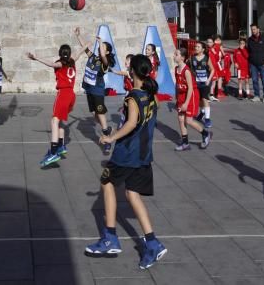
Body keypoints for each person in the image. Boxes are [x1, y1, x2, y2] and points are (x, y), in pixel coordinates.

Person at [85, 55, 167, 270]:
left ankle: (110, 238)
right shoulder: (151, 95)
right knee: (132, 193)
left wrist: (111, 137)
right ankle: (152, 242)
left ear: (133, 72)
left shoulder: (132, 97)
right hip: (143, 154)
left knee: (107, 182)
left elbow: (131, 123)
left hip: (127, 154)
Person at [28, 40, 83, 168]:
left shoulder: (60, 64)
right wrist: (82, 40)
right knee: (61, 121)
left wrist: (36, 57)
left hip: (63, 94)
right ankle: (61, 145)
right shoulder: (73, 60)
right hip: (71, 95)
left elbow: (50, 64)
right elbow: (80, 51)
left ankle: (53, 152)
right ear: (69, 54)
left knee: (54, 121)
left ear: (60, 54)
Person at [75, 27, 116, 155]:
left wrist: (100, 41)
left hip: (97, 90)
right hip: (89, 89)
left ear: (107, 52)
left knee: (100, 114)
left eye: (103, 47)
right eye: (100, 46)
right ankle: (108, 128)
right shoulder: (94, 57)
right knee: (95, 114)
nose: (100, 48)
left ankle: (107, 139)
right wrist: (78, 35)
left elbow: (103, 54)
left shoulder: (105, 63)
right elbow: (85, 48)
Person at [174, 48, 212, 151]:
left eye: (176, 54)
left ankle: (206, 134)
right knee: (181, 119)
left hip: (191, 96)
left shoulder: (186, 71)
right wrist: (177, 99)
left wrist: (186, 103)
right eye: (174, 54)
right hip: (182, 96)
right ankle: (185, 143)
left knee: (189, 120)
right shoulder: (176, 69)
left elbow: (190, 87)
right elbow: (178, 85)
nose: (174, 56)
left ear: (182, 57)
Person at [190, 42, 214, 128]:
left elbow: (212, 70)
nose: (196, 48)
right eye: (195, 46)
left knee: (205, 99)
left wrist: (209, 79)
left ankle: (207, 119)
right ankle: (203, 112)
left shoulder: (206, 58)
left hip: (205, 82)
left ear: (203, 49)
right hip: (197, 82)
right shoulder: (192, 58)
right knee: (199, 101)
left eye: (198, 47)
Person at [247, 24, 264, 103]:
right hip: (253, 64)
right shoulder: (250, 40)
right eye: (252, 29)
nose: (253, 31)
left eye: (254, 29)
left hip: (263, 63)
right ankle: (257, 95)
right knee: (254, 80)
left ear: (258, 29)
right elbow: (248, 51)